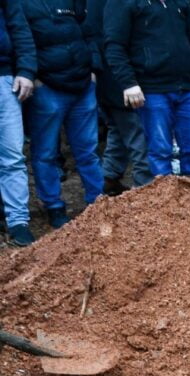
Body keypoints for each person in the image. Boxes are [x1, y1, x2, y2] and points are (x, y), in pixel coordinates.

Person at [104, 0, 190, 178]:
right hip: (152, 89)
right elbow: (114, 46)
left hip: (187, 87)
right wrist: (129, 83)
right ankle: (165, 201)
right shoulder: (123, 3)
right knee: (159, 150)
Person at [22, 0, 104, 229]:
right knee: (45, 153)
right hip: (47, 88)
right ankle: (54, 207)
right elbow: (21, 41)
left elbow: (88, 30)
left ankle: (98, 202)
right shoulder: (20, 4)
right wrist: (32, 76)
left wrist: (94, 69)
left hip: (82, 85)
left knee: (87, 150)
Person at [84, 0, 153, 196]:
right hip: (120, 77)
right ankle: (145, 193)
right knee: (140, 137)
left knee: (118, 129)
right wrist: (128, 81)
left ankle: (109, 179)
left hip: (112, 75)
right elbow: (113, 41)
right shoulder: (113, 5)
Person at [0, 0, 36, 247]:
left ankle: (18, 221)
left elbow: (20, 31)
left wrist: (25, 70)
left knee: (12, 156)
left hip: (5, 80)